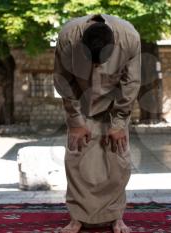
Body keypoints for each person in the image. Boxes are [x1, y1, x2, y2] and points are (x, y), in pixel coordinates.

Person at [53, 13, 141, 233]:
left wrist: (119, 123)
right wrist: (75, 121)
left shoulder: (129, 37)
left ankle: (116, 217)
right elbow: (63, 80)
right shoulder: (67, 37)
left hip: (113, 106)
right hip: (80, 104)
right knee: (76, 158)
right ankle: (77, 218)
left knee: (117, 160)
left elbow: (131, 83)